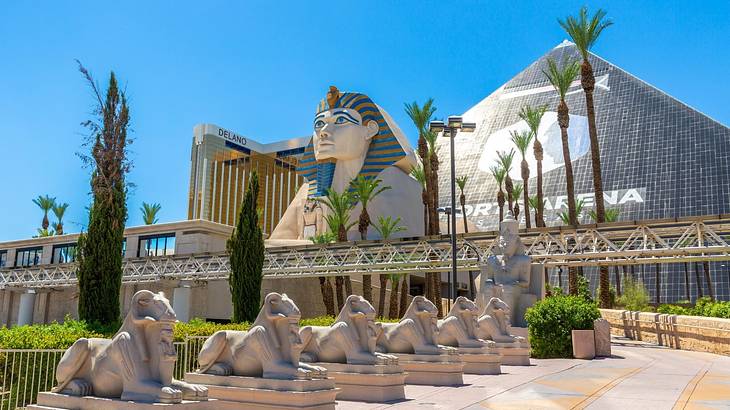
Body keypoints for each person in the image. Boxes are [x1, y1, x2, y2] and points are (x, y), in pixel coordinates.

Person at [269, 86, 424, 243]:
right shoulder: (309, 189)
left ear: (370, 130)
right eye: (319, 123)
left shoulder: (397, 184)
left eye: (341, 120)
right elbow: (275, 243)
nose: (323, 131)